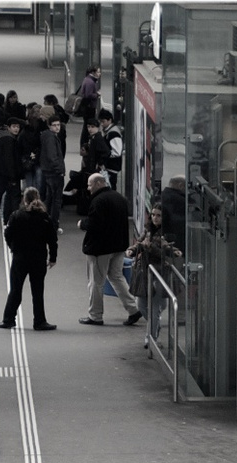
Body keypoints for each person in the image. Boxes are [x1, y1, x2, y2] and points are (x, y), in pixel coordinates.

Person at [78, 173, 141, 327]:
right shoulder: (119, 198)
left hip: (101, 249)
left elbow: (94, 224)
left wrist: (82, 224)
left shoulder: (98, 201)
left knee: (96, 282)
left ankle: (95, 315)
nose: (88, 188)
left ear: (99, 183)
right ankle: (133, 309)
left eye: (90, 184)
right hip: (118, 246)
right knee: (117, 277)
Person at [0, 187, 59, 332]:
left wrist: (13, 247)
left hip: (20, 258)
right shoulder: (45, 218)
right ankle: (39, 321)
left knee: (16, 289)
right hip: (38, 258)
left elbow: (8, 234)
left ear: (24, 200)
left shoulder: (17, 216)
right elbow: (52, 239)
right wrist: (52, 258)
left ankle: (8, 319)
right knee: (37, 291)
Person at [127, 203, 181, 339]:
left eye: (159, 215)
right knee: (141, 305)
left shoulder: (169, 233)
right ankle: (154, 325)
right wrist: (132, 250)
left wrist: (151, 247)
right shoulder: (148, 229)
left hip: (160, 272)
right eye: (153, 215)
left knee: (155, 306)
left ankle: (150, 337)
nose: (155, 218)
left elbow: (171, 253)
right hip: (145, 271)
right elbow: (140, 242)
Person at [0, 117, 29, 220]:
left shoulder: (4, 137)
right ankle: (12, 218)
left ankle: (6, 217)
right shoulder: (9, 140)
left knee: (7, 196)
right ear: (9, 128)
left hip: (3, 173)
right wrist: (13, 177)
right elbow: (9, 160)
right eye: (14, 127)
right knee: (13, 198)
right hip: (10, 175)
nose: (16, 129)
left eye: (18, 127)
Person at [37, 117, 66, 229]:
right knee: (56, 200)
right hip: (54, 172)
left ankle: (45, 220)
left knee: (50, 198)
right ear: (49, 126)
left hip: (49, 171)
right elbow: (52, 156)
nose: (57, 127)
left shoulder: (47, 136)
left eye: (58, 125)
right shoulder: (51, 138)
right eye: (54, 125)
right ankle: (53, 224)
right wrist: (59, 170)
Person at [90, 109, 124, 187]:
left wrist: (105, 155)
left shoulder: (113, 134)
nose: (101, 124)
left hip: (112, 166)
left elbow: (117, 152)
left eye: (103, 121)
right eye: (100, 122)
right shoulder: (109, 131)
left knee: (110, 186)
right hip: (109, 166)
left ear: (110, 120)